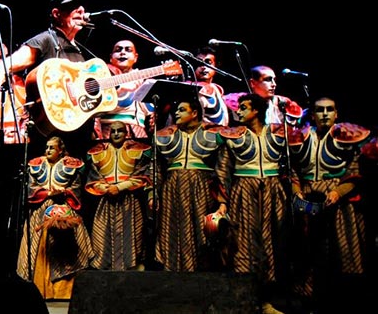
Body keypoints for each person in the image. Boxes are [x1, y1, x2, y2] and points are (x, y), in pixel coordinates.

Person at [215, 93, 305, 314]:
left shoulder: (278, 133)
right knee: (244, 242)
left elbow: (290, 167)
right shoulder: (233, 135)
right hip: (244, 191)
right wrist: (222, 202)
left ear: (256, 110)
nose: (238, 111)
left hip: (273, 192)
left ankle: (268, 300)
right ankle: (244, 299)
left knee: (272, 243)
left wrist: (297, 191)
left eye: (244, 107)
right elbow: (222, 170)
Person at [0, 0, 94, 158]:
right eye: (72, 6)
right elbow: (6, 65)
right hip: (51, 137)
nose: (80, 10)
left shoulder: (81, 50)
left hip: (80, 135)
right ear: (56, 13)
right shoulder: (46, 40)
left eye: (81, 5)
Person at [289, 97, 371, 313]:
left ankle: (343, 302)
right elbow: (293, 170)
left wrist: (337, 192)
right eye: (319, 110)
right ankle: (310, 301)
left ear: (336, 113)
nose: (324, 114)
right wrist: (297, 193)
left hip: (339, 198)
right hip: (308, 197)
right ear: (313, 114)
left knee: (341, 250)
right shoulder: (301, 137)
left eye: (329, 110)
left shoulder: (347, 137)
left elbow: (355, 172)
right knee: (309, 251)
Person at [152, 95, 229, 272]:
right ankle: (171, 271)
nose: (177, 113)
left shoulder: (214, 133)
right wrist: (152, 193)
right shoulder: (165, 135)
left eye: (182, 110)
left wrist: (223, 201)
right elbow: (155, 168)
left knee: (200, 230)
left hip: (200, 186)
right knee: (170, 229)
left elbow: (222, 168)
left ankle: (200, 272)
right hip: (172, 186)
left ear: (194, 113)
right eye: (176, 110)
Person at [16, 136, 93, 299]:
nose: (48, 150)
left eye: (52, 148)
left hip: (64, 207)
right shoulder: (36, 164)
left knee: (67, 247)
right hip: (41, 209)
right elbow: (31, 188)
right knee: (39, 246)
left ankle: (64, 292)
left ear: (60, 150)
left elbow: (77, 188)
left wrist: (64, 193)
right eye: (47, 147)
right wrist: (46, 193)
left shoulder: (71, 165)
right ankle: (40, 290)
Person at [85, 120, 152, 271]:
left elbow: (142, 175)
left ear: (126, 133)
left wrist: (120, 187)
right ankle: (106, 268)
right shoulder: (98, 152)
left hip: (129, 199)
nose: (116, 134)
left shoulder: (138, 150)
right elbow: (93, 178)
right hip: (106, 199)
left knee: (132, 234)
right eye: (113, 131)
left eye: (119, 131)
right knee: (102, 234)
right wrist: (105, 188)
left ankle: (132, 267)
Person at [93, 40, 154, 140]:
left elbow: (153, 112)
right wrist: (120, 89)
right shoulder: (100, 77)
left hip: (137, 132)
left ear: (136, 57)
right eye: (118, 50)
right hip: (107, 132)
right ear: (110, 57)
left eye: (128, 50)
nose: (122, 52)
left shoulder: (143, 80)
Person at [224, 65, 303, 126]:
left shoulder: (281, 102)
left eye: (274, 80)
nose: (274, 84)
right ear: (252, 83)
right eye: (268, 80)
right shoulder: (237, 100)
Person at [0, 42, 29, 144]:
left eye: (7, 56)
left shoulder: (18, 84)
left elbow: (25, 121)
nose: (5, 61)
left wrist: (21, 133)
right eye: (0, 57)